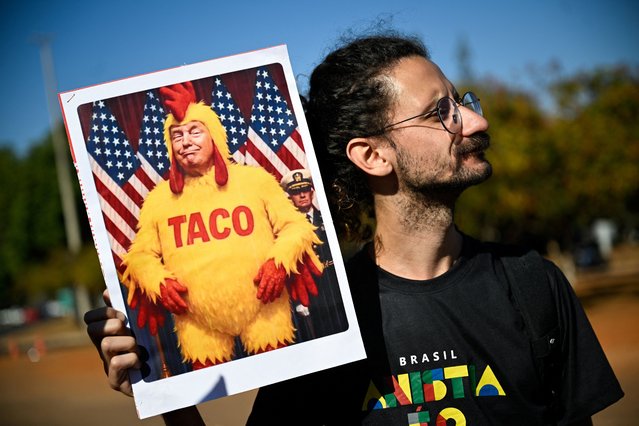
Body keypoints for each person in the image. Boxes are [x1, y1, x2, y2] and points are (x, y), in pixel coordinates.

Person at [84, 32, 623, 424]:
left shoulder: (535, 286)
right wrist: (166, 395)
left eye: (464, 103)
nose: (476, 122)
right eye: (442, 113)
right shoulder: (326, 319)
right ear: (371, 155)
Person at [115, 81, 322, 372]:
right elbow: (139, 255)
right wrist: (157, 282)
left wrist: (279, 263)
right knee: (210, 389)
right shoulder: (158, 200)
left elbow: (296, 227)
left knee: (284, 382)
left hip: (265, 310)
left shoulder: (255, 181)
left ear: (214, 136)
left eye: (194, 131)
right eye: (176, 136)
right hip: (197, 322)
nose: (185, 141)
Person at [280, 169, 348, 340]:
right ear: (290, 196)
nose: (302, 195)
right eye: (296, 192)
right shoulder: (287, 230)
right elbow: (289, 269)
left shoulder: (329, 218)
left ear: (312, 191)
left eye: (305, 190)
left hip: (338, 286)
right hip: (313, 296)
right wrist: (298, 301)